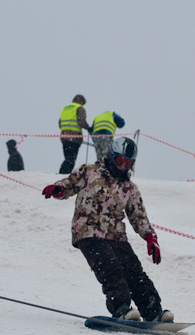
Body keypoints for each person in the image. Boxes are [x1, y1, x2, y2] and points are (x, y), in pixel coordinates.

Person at [42, 136, 173, 322]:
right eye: (119, 161)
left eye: (127, 164)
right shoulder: (89, 171)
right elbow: (70, 184)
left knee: (135, 272)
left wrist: (151, 237)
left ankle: (153, 311)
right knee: (110, 268)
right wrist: (58, 189)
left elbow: (139, 216)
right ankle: (121, 308)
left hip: (116, 236)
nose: (122, 167)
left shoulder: (130, 188)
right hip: (87, 232)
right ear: (111, 156)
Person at [58, 94, 90, 174]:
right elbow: (81, 121)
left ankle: (62, 173)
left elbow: (60, 123)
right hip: (74, 137)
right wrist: (89, 128)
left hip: (64, 137)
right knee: (71, 159)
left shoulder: (65, 108)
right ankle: (63, 174)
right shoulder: (79, 108)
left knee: (67, 157)